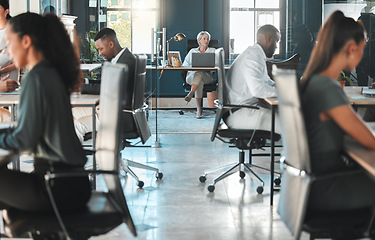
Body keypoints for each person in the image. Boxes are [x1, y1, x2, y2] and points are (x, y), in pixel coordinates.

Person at [0, 12, 91, 212]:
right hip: (72, 183)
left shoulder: (36, 78)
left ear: (26, 41)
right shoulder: (50, 73)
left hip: (55, 187)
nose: (7, 50)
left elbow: (24, 139)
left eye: (9, 42)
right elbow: (28, 130)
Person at [301, 10, 375, 212]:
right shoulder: (327, 88)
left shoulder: (313, 82)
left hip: (311, 187)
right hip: (330, 188)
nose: (362, 55)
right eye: (363, 48)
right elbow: (370, 141)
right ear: (352, 48)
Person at [73, 27, 135, 142]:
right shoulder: (123, 59)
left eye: (101, 49)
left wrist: (80, 87)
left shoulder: (126, 63)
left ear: (111, 44)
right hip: (112, 108)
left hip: (117, 114)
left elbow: (109, 88)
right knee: (72, 111)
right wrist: (85, 82)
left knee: (78, 125)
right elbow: (108, 83)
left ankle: (74, 157)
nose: (100, 53)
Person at [224, 24, 281, 133]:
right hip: (240, 114)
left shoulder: (256, 54)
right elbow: (258, 90)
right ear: (268, 39)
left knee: (290, 119)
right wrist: (284, 93)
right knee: (293, 127)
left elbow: (266, 81)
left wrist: (280, 87)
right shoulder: (252, 56)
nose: (276, 46)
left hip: (245, 109)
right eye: (276, 41)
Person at [182, 31, 215, 119]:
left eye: (208, 39)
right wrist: (193, 68)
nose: (206, 41)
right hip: (191, 76)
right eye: (204, 39)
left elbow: (217, 65)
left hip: (207, 77)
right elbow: (185, 64)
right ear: (199, 40)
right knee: (198, 77)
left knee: (200, 73)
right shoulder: (192, 51)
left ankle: (191, 94)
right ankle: (199, 110)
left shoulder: (212, 51)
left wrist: (209, 68)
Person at [0, 0, 20, 122]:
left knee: (9, 111)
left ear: (6, 11)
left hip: (8, 76)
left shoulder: (13, 30)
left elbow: (19, 60)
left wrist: (3, 69)